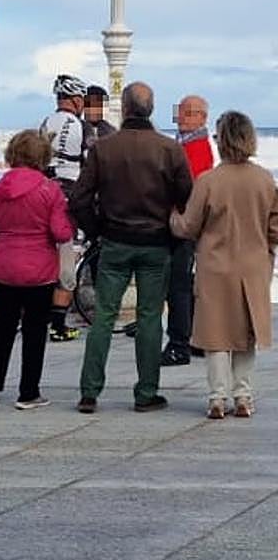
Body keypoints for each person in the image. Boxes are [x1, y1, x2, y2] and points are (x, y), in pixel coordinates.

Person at [70, 82, 192, 414]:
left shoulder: (103, 148)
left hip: (114, 241)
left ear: (124, 109)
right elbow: (187, 199)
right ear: (150, 109)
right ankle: (146, 392)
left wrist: (96, 231)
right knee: (150, 317)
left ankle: (89, 391)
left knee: (104, 318)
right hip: (155, 244)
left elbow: (79, 199)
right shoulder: (170, 149)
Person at [170, 111, 278, 419]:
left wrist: (171, 217)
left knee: (215, 333)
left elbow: (188, 227)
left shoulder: (208, 181)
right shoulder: (264, 179)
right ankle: (243, 394)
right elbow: (275, 226)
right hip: (254, 265)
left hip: (215, 266)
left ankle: (217, 398)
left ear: (222, 140)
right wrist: (266, 247)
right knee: (246, 333)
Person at [0, 131, 73, 409]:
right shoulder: (49, 190)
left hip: (4, 266)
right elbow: (59, 231)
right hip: (38, 270)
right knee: (34, 331)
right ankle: (28, 392)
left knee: (0, 330)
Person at [163, 94, 216, 368]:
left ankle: (179, 343)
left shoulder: (197, 146)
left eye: (190, 112)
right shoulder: (185, 143)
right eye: (181, 111)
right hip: (183, 222)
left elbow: (190, 188)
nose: (183, 116)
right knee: (184, 283)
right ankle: (193, 339)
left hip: (184, 223)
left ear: (202, 118)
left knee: (179, 285)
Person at [39, 74, 87, 344]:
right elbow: (89, 162)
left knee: (45, 253)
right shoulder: (79, 126)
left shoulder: (46, 123)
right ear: (77, 100)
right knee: (68, 257)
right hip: (69, 194)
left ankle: (43, 315)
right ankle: (58, 325)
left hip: (44, 191)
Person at [83, 84, 116, 150]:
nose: (95, 109)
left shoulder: (112, 132)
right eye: (91, 104)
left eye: (99, 105)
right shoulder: (77, 128)